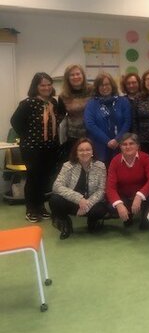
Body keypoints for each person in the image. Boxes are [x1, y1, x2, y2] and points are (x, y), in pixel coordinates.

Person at [10, 72, 62, 222]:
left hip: (50, 148)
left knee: (44, 179)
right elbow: (15, 121)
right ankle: (31, 209)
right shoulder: (28, 103)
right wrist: (27, 136)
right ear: (36, 87)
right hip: (32, 148)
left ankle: (40, 206)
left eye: (49, 84)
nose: (46, 87)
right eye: (42, 85)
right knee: (33, 178)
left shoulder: (53, 102)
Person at [49, 138, 107, 239]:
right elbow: (57, 186)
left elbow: (101, 190)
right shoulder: (68, 166)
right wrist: (79, 199)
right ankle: (65, 224)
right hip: (73, 202)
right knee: (55, 199)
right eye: (81, 150)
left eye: (88, 149)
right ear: (76, 152)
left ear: (92, 152)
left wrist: (87, 205)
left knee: (100, 209)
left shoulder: (100, 166)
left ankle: (92, 222)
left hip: (91, 203)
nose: (85, 153)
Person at [106, 133, 149, 229]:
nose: (128, 147)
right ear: (120, 147)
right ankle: (128, 214)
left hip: (143, 196)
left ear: (137, 146)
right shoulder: (115, 161)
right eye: (124, 144)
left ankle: (144, 216)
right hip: (125, 196)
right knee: (111, 207)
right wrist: (119, 204)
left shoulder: (145, 158)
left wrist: (139, 195)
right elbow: (110, 187)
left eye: (131, 143)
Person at [84, 72, 132, 164]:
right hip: (99, 146)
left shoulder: (123, 102)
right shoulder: (92, 104)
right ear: (97, 87)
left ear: (112, 85)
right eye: (101, 85)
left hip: (121, 144)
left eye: (107, 84)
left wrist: (117, 139)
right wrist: (107, 141)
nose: (104, 87)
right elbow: (90, 124)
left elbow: (127, 122)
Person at [56, 64, 93, 162]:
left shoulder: (92, 90)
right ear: (67, 78)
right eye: (72, 75)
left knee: (92, 164)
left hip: (92, 134)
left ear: (83, 75)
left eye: (78, 74)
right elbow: (60, 117)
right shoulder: (63, 96)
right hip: (73, 137)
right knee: (75, 164)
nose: (75, 77)